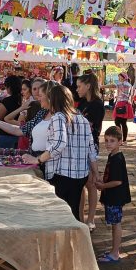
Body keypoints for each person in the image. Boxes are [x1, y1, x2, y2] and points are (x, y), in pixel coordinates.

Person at [22, 85, 99, 221]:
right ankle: (77, 240)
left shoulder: (58, 117)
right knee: (73, 213)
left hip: (62, 175)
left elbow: (59, 144)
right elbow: (91, 149)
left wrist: (38, 159)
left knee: (61, 216)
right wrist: (95, 172)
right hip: (80, 175)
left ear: (53, 100)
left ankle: (69, 241)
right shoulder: (82, 119)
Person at [0, 81, 58, 177]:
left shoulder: (60, 117)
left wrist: (38, 159)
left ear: (50, 97)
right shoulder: (42, 113)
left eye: (41, 95)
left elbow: (59, 145)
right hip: (35, 159)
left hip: (48, 164)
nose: (38, 98)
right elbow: (19, 130)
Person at [95, 126, 131, 262]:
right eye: (106, 140)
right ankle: (113, 250)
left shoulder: (117, 159)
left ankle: (115, 253)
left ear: (120, 142)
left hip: (116, 196)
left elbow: (117, 181)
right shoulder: (113, 155)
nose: (108, 143)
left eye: (112, 141)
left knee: (116, 224)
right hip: (112, 196)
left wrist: (103, 186)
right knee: (114, 224)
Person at [76, 73, 105, 230]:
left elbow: (90, 127)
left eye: (79, 86)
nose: (77, 89)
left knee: (91, 183)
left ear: (88, 86)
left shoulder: (97, 104)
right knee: (80, 184)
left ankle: (91, 219)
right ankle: (80, 218)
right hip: (78, 147)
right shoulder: (81, 103)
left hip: (90, 147)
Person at [101, 72, 134, 145]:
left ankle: (120, 140)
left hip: (121, 104)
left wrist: (102, 86)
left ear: (123, 77)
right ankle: (124, 140)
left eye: (119, 77)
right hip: (126, 104)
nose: (118, 78)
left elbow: (113, 85)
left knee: (118, 123)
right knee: (123, 123)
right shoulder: (129, 84)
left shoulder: (122, 84)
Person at [0, 75, 22, 148]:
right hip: (20, 135)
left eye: (6, 87)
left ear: (9, 88)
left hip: (6, 135)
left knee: (4, 158)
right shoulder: (24, 100)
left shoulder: (7, 101)